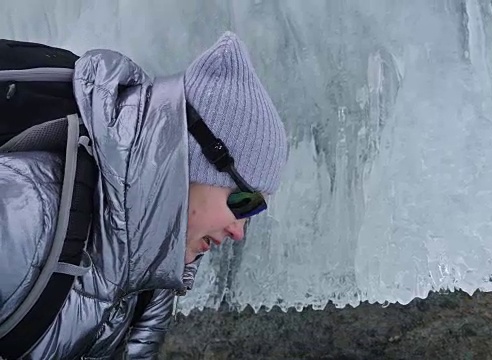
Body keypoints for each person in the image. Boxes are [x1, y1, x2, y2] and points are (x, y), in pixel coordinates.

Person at [0, 31, 287, 358]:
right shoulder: (27, 212)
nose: (238, 231)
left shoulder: (153, 280)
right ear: (194, 162)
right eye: (243, 202)